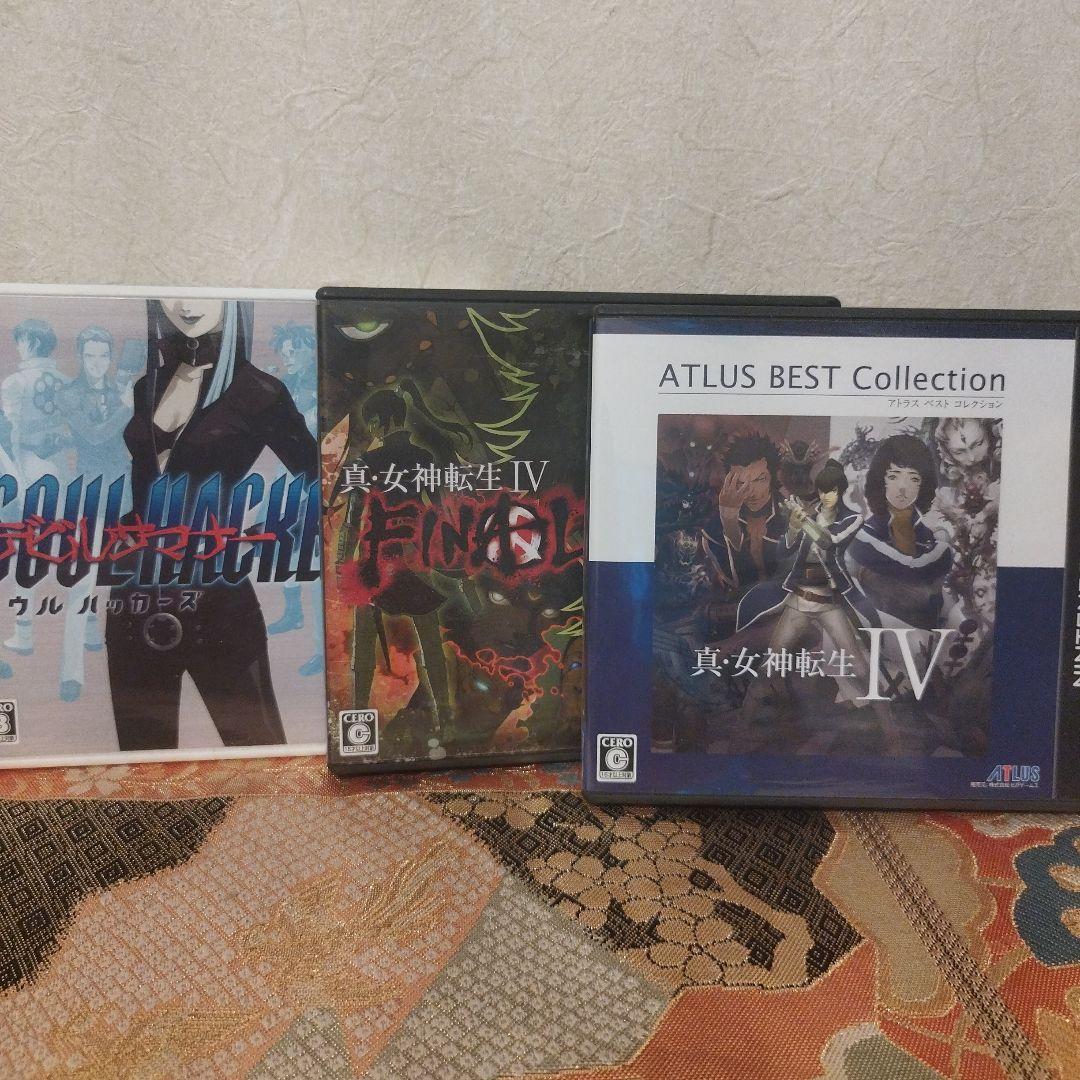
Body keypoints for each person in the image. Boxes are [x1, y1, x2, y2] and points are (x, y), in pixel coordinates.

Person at [104, 298, 317, 750]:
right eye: (172, 293)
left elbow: (320, 477)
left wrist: (269, 531)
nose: (185, 305)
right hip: (135, 591)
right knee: (140, 760)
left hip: (218, 596)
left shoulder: (259, 392)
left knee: (260, 753)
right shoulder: (148, 384)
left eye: (202, 292)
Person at [54, 326, 133, 700]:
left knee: (134, 580)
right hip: (90, 491)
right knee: (81, 580)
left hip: (128, 490)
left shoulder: (122, 388)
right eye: (90, 356)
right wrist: (129, 407)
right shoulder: (69, 394)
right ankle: (71, 674)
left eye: (103, 356)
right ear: (81, 357)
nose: (97, 364)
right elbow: (95, 435)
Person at [1, 319, 70, 660]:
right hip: (60, 473)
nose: (18, 346)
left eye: (20, 340)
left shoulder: (14, 384)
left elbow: (9, 435)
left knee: (25, 551)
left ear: (29, 342)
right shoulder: (67, 382)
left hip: (24, 471)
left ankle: (24, 631)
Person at [847, 434, 953, 631]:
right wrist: (943, 550)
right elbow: (914, 571)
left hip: (931, 635)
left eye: (913, 479)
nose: (903, 488)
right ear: (881, 480)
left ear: (923, 485)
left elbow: (938, 595)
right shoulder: (863, 535)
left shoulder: (931, 536)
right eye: (893, 476)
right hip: (881, 634)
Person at [264, 322, 323, 676]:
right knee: (285, 545)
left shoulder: (323, 381)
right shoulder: (286, 383)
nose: (287, 357)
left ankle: (321, 648)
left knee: (315, 564)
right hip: (290, 476)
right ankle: (293, 611)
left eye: (293, 351)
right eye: (283, 351)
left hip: (319, 478)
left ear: (309, 349)